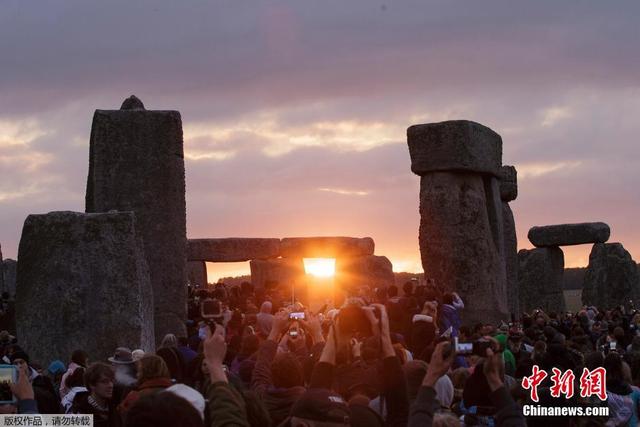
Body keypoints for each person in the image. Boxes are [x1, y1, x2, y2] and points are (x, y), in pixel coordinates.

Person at [71, 362, 121, 427]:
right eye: (104, 381)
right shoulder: (80, 413)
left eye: (111, 381)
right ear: (92, 384)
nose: (111, 385)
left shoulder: (113, 408)